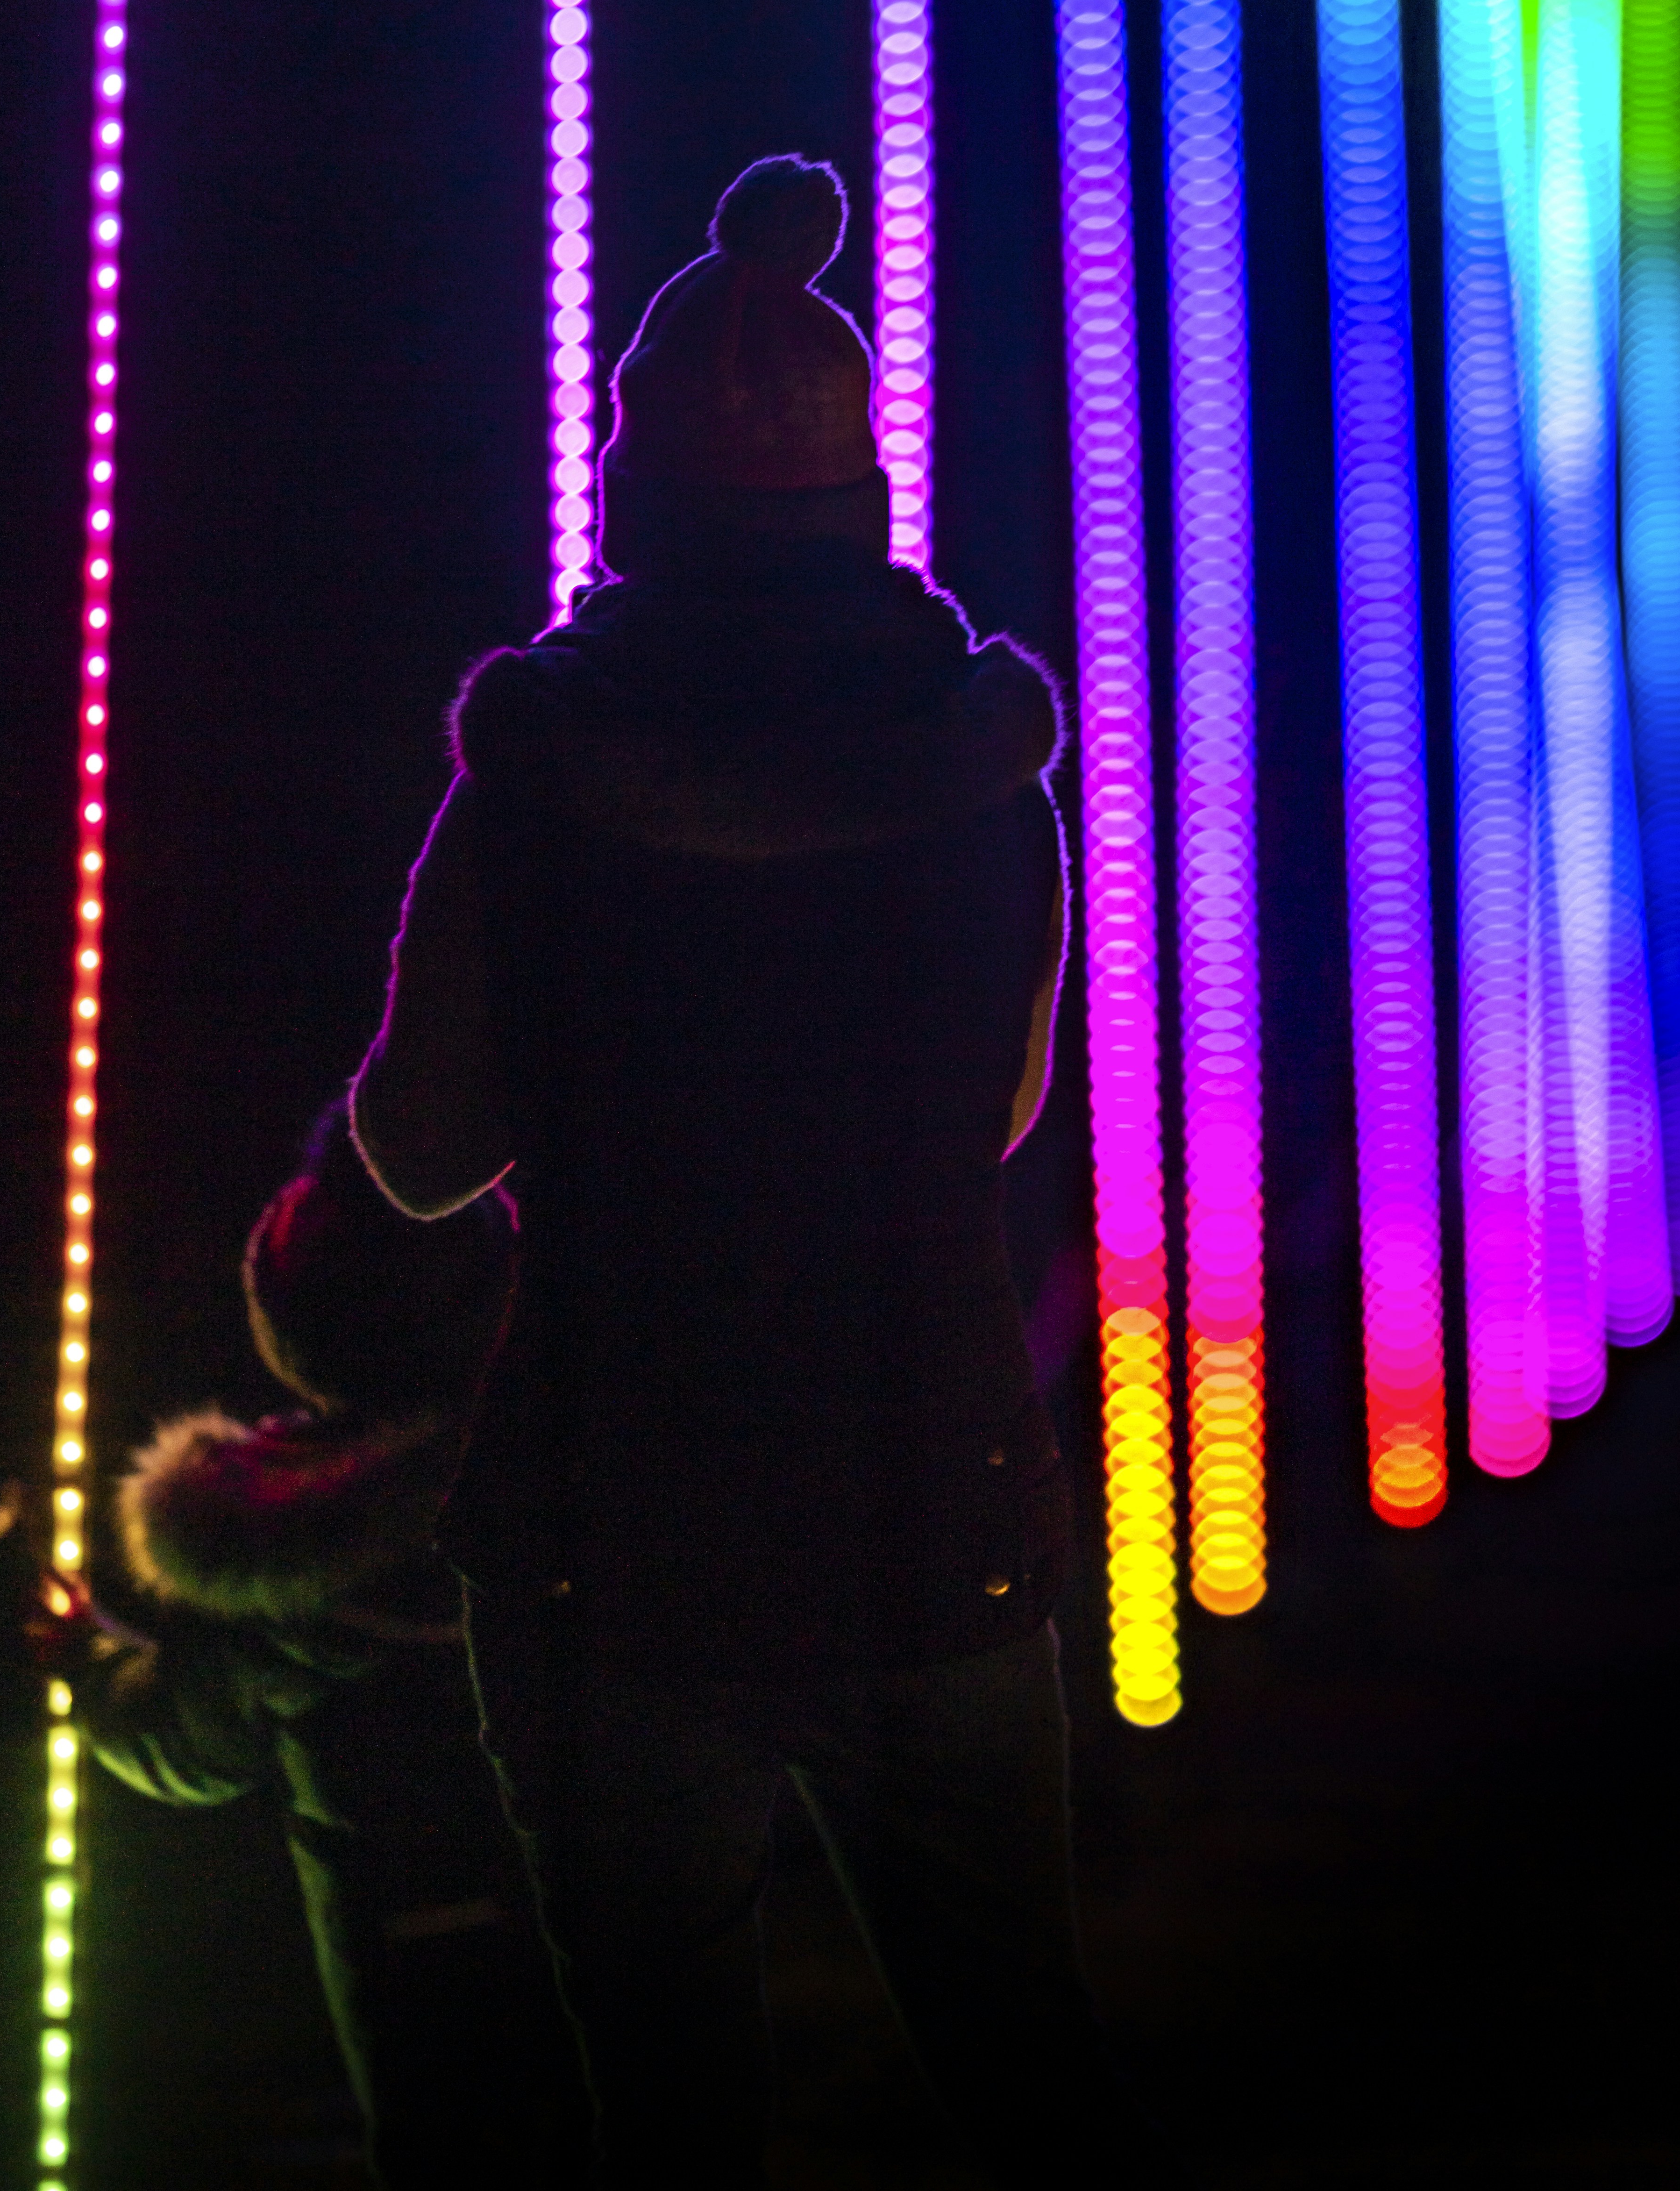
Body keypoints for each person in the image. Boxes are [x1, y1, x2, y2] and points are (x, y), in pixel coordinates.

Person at [352, 154, 1120, 2184]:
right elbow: (1000, 1110)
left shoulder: (533, 777)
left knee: (665, 2119)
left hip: (614, 1532)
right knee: (1024, 2076)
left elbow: (420, 1151)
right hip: (925, 1497)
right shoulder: (975, 771)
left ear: (632, 488)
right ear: (856, 489)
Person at [28, 1098, 587, 2187]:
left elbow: (183, 1743)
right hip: (627, 1914)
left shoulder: (276, 1561)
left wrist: (87, 1660)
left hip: (409, 1946)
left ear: (294, 1324)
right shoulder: (588, 1477)